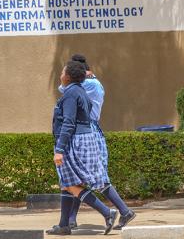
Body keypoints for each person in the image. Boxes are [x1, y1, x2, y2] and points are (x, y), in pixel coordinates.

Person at [63, 54, 136, 230]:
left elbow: (62, 86)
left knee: (96, 177)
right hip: (87, 131)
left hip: (88, 132)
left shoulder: (89, 84)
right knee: (76, 179)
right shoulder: (89, 83)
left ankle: (124, 211)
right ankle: (70, 220)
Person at [47, 61, 118, 235]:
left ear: (68, 76)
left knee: (72, 185)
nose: (60, 75)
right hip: (84, 139)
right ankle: (64, 225)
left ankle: (107, 213)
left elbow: (69, 123)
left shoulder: (71, 94)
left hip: (74, 142)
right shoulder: (80, 91)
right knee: (67, 183)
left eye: (62, 72)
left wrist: (60, 149)